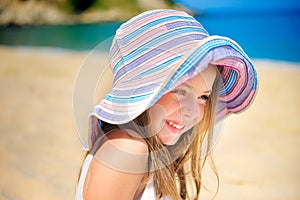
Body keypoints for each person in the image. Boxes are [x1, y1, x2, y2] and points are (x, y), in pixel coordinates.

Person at [75, 9, 258, 200]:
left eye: (203, 97)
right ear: (140, 92)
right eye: (179, 91)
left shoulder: (148, 150)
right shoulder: (127, 149)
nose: (192, 111)